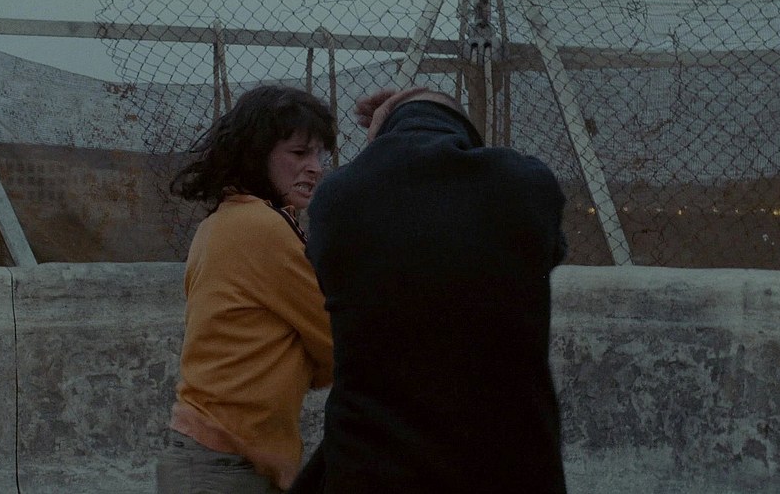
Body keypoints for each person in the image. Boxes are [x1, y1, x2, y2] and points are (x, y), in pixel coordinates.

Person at [289, 87, 568, 493]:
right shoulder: (525, 185)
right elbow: (547, 251)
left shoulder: (338, 198)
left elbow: (333, 274)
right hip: (508, 468)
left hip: (371, 469)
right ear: (463, 132)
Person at [157, 85, 336, 494]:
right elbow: (333, 337)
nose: (314, 168)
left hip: (212, 458)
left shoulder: (219, 223)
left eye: (319, 155)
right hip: (225, 466)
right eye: (298, 153)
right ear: (257, 154)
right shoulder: (263, 228)